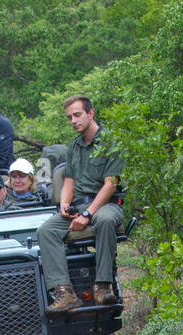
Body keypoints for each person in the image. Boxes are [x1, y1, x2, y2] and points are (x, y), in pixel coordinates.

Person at [38, 96, 124, 313]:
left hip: (106, 204)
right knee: (46, 230)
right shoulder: (74, 147)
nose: (73, 121)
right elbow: (69, 180)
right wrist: (65, 205)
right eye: (69, 117)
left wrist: (87, 213)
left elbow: (111, 184)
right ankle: (64, 292)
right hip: (78, 206)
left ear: (90, 113)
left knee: (104, 220)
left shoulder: (111, 142)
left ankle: (103, 286)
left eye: (77, 115)